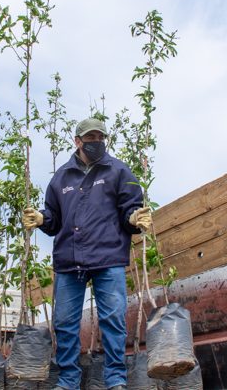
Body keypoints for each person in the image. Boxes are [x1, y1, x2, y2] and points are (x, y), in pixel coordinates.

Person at [22, 117, 152, 390]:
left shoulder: (118, 171)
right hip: (70, 261)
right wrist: (41, 218)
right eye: (90, 138)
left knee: (113, 321)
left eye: (100, 138)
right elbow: (55, 219)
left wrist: (135, 218)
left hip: (108, 258)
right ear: (78, 141)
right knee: (65, 323)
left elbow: (130, 207)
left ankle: (116, 380)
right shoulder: (61, 177)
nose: (96, 142)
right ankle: (68, 381)